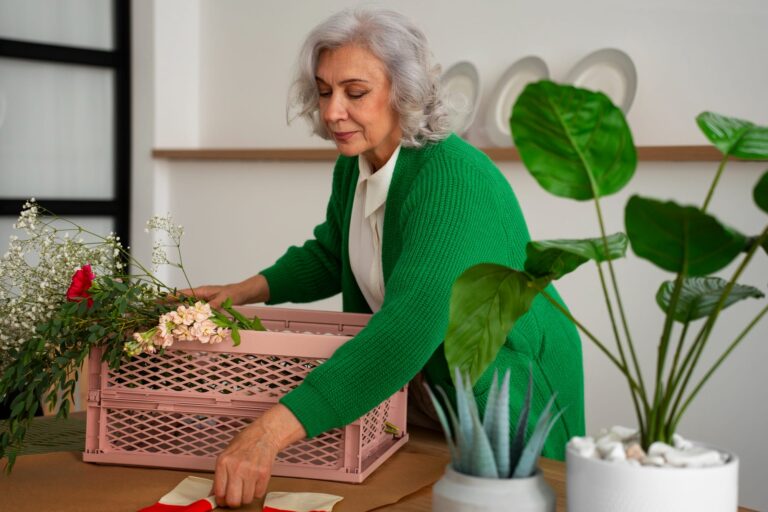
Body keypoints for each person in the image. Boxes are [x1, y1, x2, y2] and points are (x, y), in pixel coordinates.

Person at [187, 8, 584, 508]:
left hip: (506, 389)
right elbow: (332, 253)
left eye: (355, 92)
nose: (333, 111)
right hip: (426, 389)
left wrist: (270, 431)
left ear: (405, 92)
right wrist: (243, 291)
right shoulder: (355, 164)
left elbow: (410, 324)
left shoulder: (451, 177)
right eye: (324, 91)